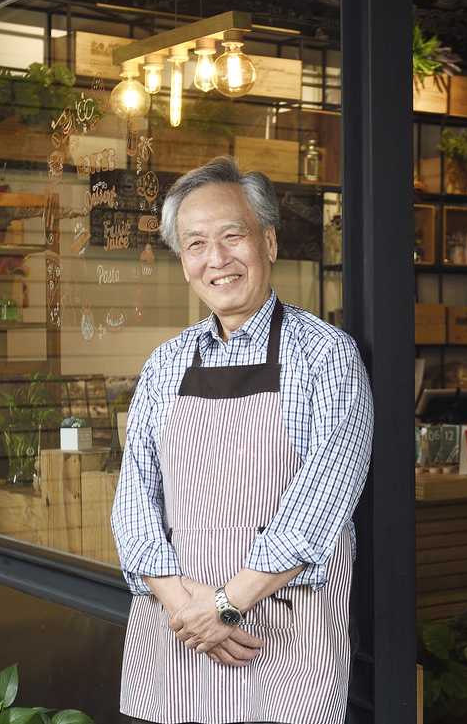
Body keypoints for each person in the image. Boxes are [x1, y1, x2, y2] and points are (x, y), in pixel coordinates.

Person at [111, 156, 374, 724]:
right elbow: (134, 504)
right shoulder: (164, 365)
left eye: (233, 236)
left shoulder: (327, 357)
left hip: (283, 637)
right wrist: (191, 612)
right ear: (183, 262)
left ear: (269, 242)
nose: (217, 259)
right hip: (178, 635)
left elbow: (320, 509)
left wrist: (227, 605)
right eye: (197, 244)